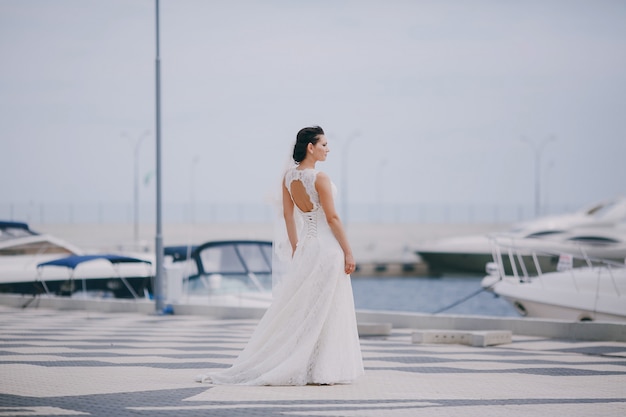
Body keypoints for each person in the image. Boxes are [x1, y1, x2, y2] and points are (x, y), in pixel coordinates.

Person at [196, 126, 364, 386]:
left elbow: (288, 216)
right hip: (328, 249)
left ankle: (309, 364)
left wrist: (297, 247)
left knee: (306, 308)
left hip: (308, 247)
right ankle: (319, 368)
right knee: (326, 308)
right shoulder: (319, 178)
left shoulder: (288, 178)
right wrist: (349, 251)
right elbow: (332, 218)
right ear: (311, 147)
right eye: (324, 144)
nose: (328, 149)